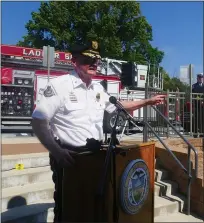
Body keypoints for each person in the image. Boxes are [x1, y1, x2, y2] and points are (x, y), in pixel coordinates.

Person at [32, 40, 165, 222]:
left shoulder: (97, 88)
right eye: (88, 60)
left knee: (92, 208)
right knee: (68, 209)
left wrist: (147, 102)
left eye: (97, 61)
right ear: (75, 61)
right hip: (70, 157)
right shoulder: (59, 86)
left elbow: (118, 106)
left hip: (95, 157)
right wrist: (56, 151)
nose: (94, 64)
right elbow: (38, 120)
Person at [192, 73, 204, 137]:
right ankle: (195, 134)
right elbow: (194, 95)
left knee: (202, 120)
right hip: (197, 105)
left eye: (202, 77)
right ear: (197, 79)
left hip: (203, 106)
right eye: (200, 78)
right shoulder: (194, 86)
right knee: (196, 120)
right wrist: (200, 100)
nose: (201, 79)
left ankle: (202, 133)